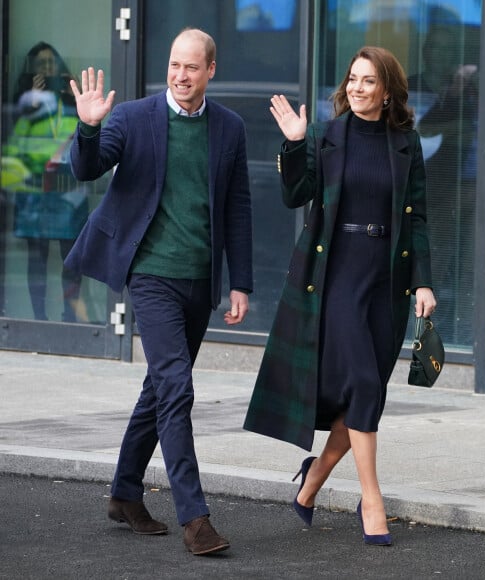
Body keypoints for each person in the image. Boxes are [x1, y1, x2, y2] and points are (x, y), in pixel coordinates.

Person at [64, 28, 253, 554]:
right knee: (177, 389)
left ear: (211, 70)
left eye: (192, 67)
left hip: (200, 280)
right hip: (150, 276)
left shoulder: (230, 128)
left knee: (160, 388)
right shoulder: (134, 117)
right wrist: (87, 128)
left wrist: (241, 282)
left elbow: (238, 205)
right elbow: (86, 168)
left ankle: (125, 494)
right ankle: (196, 518)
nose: (181, 75)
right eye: (175, 65)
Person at [244, 46, 436, 545]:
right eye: (353, 79)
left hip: (386, 280)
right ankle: (372, 500)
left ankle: (313, 478)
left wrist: (423, 281)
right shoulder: (328, 136)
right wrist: (292, 144)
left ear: (388, 90)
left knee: (363, 393)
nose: (357, 87)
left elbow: (417, 217)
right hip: (337, 273)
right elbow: (295, 193)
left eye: (368, 81)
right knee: (366, 386)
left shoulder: (405, 142)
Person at [3, 41, 87, 322]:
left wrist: (75, 99)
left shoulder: (69, 100)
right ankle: (39, 318)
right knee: (36, 261)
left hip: (68, 191)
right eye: (41, 65)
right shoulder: (24, 104)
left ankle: (70, 318)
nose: (47, 69)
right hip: (35, 192)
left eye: (52, 63)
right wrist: (30, 106)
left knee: (72, 259)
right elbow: (13, 143)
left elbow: (90, 132)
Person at [407, 23, 478, 345]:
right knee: (430, 267)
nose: (440, 53)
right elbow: (421, 132)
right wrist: (458, 127)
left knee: (463, 270)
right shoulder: (410, 88)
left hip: (467, 191)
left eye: (447, 47)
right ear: (425, 51)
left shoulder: (467, 91)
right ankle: (420, 336)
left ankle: (456, 334)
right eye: (434, 45)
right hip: (427, 194)